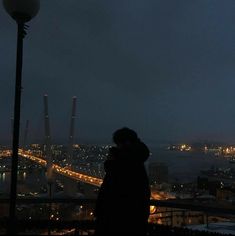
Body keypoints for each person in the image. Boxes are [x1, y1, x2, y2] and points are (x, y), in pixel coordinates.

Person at [94, 127, 150, 235]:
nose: (116, 147)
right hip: (135, 219)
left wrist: (111, 163)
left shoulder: (121, 164)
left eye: (118, 144)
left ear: (125, 143)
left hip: (115, 218)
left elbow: (111, 192)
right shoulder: (137, 164)